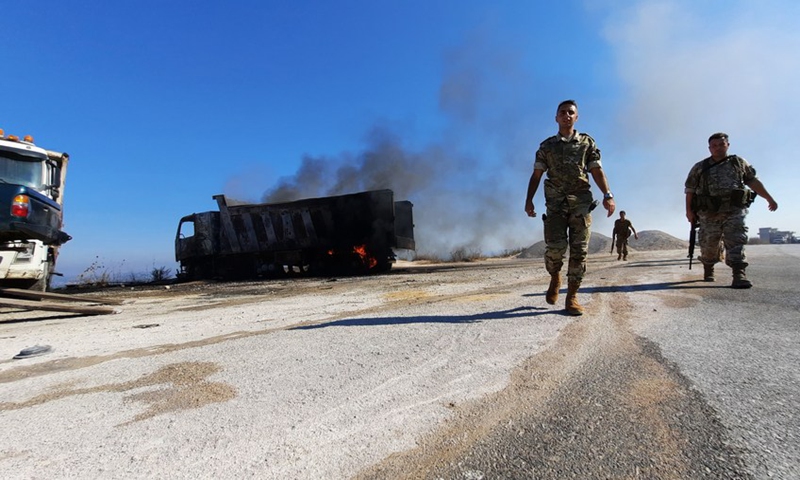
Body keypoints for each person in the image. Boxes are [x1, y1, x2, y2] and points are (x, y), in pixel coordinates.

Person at [524, 99, 615, 315]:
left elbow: (596, 171)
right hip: (555, 205)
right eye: (562, 112)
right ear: (556, 118)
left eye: (570, 112)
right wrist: (529, 200)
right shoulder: (547, 146)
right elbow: (537, 174)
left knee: (579, 252)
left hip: (581, 204)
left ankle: (572, 297)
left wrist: (608, 195)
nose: (566, 115)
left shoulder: (586, 143)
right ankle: (555, 277)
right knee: (554, 249)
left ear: (576, 117)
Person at [684, 132, 778, 288]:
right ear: (709, 148)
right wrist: (689, 211)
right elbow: (690, 190)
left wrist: (769, 198)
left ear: (727, 145)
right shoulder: (700, 167)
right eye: (714, 146)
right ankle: (708, 267)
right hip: (708, 212)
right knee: (709, 244)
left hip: (734, 210)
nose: (718, 148)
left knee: (736, 240)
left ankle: (738, 274)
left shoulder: (738, 163)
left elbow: (753, 182)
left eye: (721, 144)